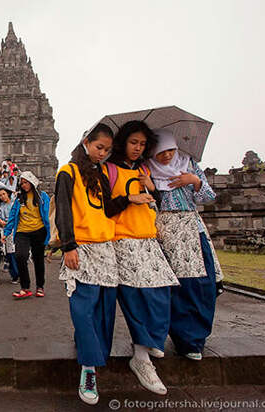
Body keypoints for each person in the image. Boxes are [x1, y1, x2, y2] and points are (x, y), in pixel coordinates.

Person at [104, 120, 179, 395]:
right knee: (136, 296)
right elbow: (104, 208)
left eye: (142, 144)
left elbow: (152, 203)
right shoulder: (109, 170)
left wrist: (151, 189)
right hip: (123, 238)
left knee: (161, 292)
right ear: (123, 142)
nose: (137, 148)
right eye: (133, 142)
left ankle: (148, 344)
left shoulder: (145, 170)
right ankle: (142, 356)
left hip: (148, 238)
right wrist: (128, 198)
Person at [148, 129, 224, 361]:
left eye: (170, 150)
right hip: (165, 230)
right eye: (160, 152)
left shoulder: (188, 164)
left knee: (201, 285)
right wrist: (150, 188)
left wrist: (195, 181)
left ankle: (194, 341)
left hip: (193, 228)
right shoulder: (147, 170)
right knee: (172, 288)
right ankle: (176, 337)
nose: (166, 156)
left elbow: (208, 198)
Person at [56, 124, 118, 405]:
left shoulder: (101, 173)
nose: (102, 154)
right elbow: (64, 210)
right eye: (98, 148)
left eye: (107, 150)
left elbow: (108, 210)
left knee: (104, 306)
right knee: (83, 305)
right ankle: (89, 368)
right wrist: (68, 245)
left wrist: (134, 195)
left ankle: (93, 351)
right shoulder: (68, 172)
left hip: (106, 247)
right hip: (80, 246)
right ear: (85, 142)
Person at [2, 171, 50, 299]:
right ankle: (25, 287)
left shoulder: (42, 196)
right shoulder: (19, 198)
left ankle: (40, 286)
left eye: (25, 182)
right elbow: (12, 215)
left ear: (32, 182)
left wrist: (51, 233)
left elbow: (48, 215)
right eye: (21, 183)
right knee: (20, 256)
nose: (23, 185)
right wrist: (6, 232)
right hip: (22, 232)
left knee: (38, 259)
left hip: (39, 231)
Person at [0, 188, 19, 283]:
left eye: (4, 194)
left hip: (14, 230)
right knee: (8, 254)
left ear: (8, 194)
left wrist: (8, 223)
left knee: (15, 253)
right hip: (5, 231)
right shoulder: (0, 206)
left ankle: (19, 274)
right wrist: (1, 222)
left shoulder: (14, 203)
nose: (2, 197)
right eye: (0, 195)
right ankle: (14, 275)